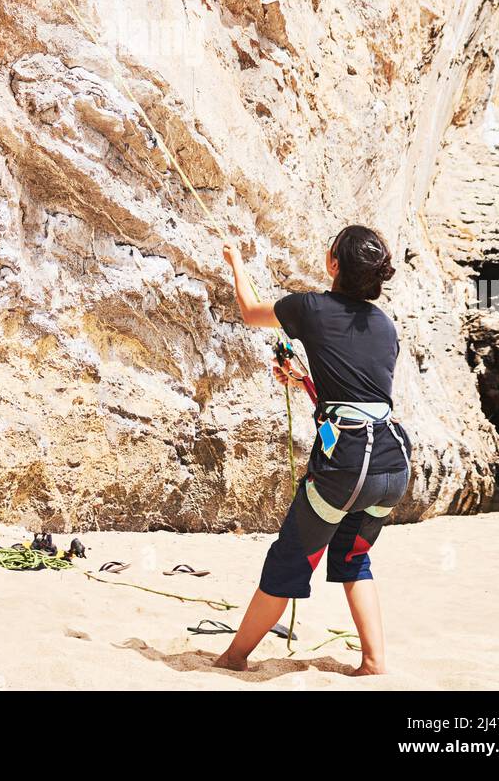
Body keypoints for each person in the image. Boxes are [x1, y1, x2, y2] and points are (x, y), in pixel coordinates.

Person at [216, 225, 412, 676]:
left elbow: (249, 313)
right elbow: (359, 393)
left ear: (333, 264)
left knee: (291, 559)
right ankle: (374, 662)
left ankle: (234, 657)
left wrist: (236, 264)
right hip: (393, 464)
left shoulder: (309, 307)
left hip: (346, 467)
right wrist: (304, 381)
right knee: (353, 557)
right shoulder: (385, 325)